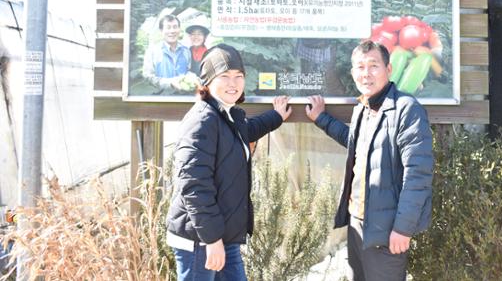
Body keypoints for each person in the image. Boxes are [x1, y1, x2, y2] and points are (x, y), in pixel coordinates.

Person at [305, 40, 433, 281]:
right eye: (360, 67)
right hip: (357, 223)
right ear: (353, 73)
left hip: (386, 231)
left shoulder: (407, 110)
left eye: (373, 66)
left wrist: (403, 229)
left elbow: (418, 175)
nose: (366, 74)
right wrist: (321, 119)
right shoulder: (363, 108)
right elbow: (355, 144)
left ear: (389, 69)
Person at [166, 43, 292, 281]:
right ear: (208, 81)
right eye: (224, 76)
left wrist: (275, 116)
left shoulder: (226, 115)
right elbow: (193, 185)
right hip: (200, 240)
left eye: (238, 76)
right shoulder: (202, 120)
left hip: (221, 235)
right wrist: (211, 239)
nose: (233, 83)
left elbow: (244, 132)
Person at [295, 0, 343, 95]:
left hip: (320, 46)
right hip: (305, 43)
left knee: (319, 78)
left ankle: (317, 101)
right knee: (305, 74)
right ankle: (304, 99)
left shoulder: (327, 0)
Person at [142, 14, 191, 89]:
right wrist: (169, 83)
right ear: (161, 31)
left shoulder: (186, 51)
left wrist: (192, 78)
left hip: (183, 97)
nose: (172, 31)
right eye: (168, 27)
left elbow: (188, 71)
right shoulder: (153, 52)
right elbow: (147, 77)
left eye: (175, 27)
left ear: (179, 29)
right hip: (162, 97)